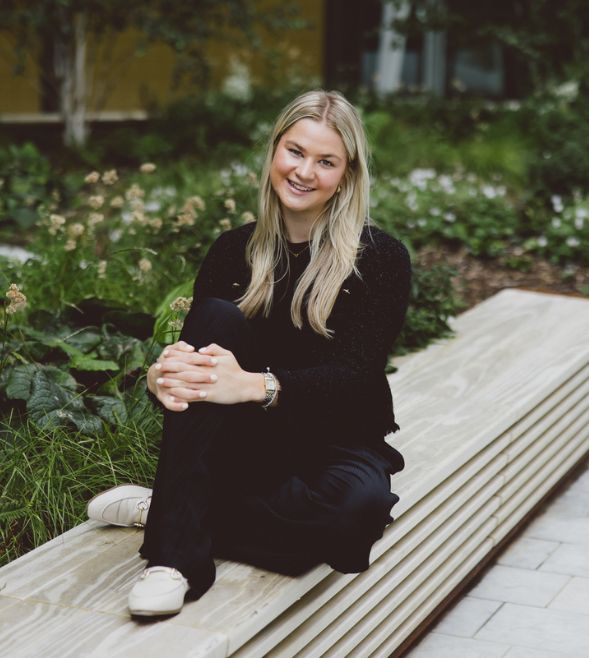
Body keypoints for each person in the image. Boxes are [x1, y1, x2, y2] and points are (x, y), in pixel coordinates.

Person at [86, 89, 411, 617]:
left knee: (357, 514)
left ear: (347, 175)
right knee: (216, 316)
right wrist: (160, 377)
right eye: (295, 151)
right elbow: (198, 374)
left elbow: (356, 376)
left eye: (325, 161)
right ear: (274, 153)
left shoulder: (379, 260)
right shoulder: (232, 250)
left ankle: (173, 507)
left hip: (334, 439)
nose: (304, 171)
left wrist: (259, 385)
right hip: (244, 441)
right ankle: (173, 559)